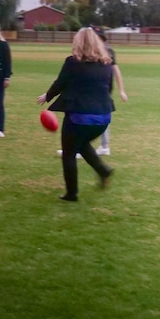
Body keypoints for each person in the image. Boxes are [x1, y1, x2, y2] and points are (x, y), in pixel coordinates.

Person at [38, 28, 115, 201]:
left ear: (78, 42)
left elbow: (60, 83)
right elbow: (109, 89)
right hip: (103, 118)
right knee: (81, 144)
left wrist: (47, 96)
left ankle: (71, 194)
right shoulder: (106, 63)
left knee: (69, 153)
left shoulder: (73, 62)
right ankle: (104, 171)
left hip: (80, 118)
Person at [56, 27, 127, 157]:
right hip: (92, 90)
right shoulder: (86, 52)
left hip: (101, 90)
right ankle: (80, 147)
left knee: (94, 116)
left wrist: (122, 90)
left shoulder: (108, 51)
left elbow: (116, 70)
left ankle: (95, 146)